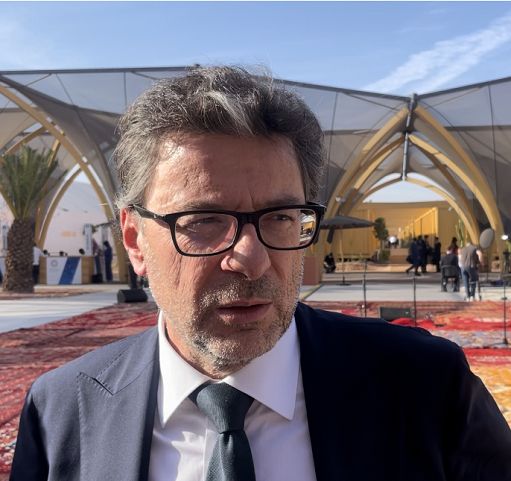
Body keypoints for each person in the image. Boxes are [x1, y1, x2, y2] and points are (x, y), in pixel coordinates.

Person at [10, 66, 511, 481]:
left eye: (280, 217)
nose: (251, 258)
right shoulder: (60, 413)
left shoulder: (427, 387)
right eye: (204, 220)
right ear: (135, 240)